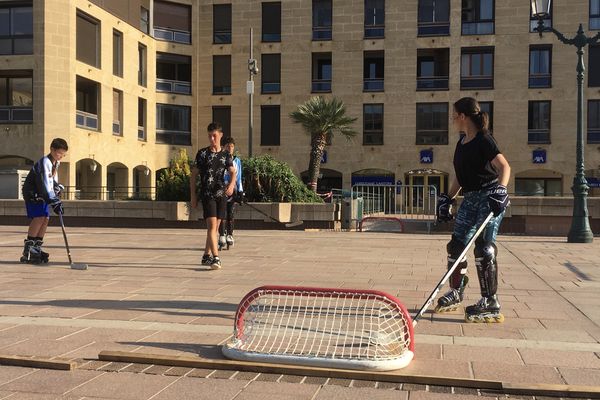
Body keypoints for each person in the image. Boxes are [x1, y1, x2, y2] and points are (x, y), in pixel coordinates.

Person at [435, 97, 511, 323]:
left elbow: (503, 167)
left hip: (488, 198)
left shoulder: (484, 140)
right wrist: (448, 197)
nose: (452, 118)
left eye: (454, 114)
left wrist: (501, 191)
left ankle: (490, 300)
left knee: (484, 248)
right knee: (456, 245)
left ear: (463, 116)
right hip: (469, 198)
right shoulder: (462, 143)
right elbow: (460, 175)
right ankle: (457, 290)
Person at [190, 123, 236, 270]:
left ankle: (205, 255)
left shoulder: (226, 154)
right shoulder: (202, 154)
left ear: (220, 135)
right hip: (207, 194)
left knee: (215, 228)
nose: (211, 138)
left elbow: (232, 171)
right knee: (211, 227)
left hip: (221, 195)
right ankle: (216, 258)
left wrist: (231, 185)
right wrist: (193, 196)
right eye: (209, 135)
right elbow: (193, 176)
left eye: (214, 136)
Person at [21, 138, 68, 264]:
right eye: (59, 153)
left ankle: (36, 246)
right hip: (34, 194)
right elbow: (45, 184)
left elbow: (51, 183)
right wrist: (54, 201)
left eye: (63, 154)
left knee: (45, 219)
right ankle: (29, 250)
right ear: (52, 149)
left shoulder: (55, 163)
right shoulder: (45, 162)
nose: (61, 156)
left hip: (42, 195)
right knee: (39, 217)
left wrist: (57, 188)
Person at [218, 137, 244, 250]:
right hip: (222, 190)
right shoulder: (220, 160)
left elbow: (238, 178)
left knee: (231, 213)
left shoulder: (237, 161)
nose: (230, 148)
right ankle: (222, 235)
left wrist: (241, 192)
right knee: (222, 214)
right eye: (228, 146)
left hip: (233, 191)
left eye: (232, 146)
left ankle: (230, 235)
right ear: (224, 147)